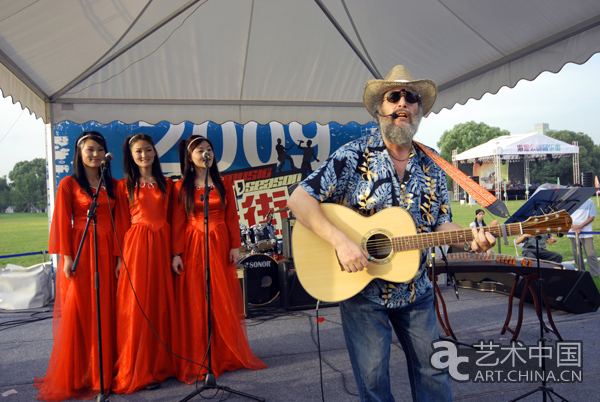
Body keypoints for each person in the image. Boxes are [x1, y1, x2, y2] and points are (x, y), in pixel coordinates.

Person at [287, 65, 496, 402]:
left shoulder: (432, 164)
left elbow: (441, 223)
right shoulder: (353, 156)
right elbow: (299, 199)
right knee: (373, 383)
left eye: (411, 97)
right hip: (363, 292)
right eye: (393, 96)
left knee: (434, 374)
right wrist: (341, 242)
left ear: (419, 110)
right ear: (379, 109)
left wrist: (471, 237)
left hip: (418, 291)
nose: (403, 103)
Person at [171, 135, 267, 384]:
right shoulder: (181, 186)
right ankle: (199, 356)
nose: (206, 152)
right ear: (190, 157)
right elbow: (178, 221)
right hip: (193, 243)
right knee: (196, 298)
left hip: (220, 242)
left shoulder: (223, 182)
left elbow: (232, 217)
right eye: (200, 149)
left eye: (209, 149)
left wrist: (235, 246)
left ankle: (223, 353)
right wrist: (176, 253)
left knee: (220, 297)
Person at [35, 131, 118, 400]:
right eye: (90, 150)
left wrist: (119, 257)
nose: (95, 155)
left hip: (108, 249)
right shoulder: (69, 184)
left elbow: (121, 223)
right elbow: (61, 222)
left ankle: (108, 370)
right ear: (79, 154)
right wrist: (67, 258)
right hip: (83, 249)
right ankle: (84, 373)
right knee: (83, 311)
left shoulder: (113, 183)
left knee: (107, 309)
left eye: (99, 149)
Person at [111, 133, 178, 393]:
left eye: (148, 150)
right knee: (138, 305)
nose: (144, 155)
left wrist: (176, 252)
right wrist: (119, 258)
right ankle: (139, 366)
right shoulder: (123, 184)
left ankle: (162, 364)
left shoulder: (167, 184)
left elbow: (174, 219)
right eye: (138, 151)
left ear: (154, 153)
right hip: (136, 245)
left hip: (162, 243)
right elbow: (120, 223)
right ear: (132, 155)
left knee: (160, 303)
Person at [567, 183, 600, 285]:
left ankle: (596, 275)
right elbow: (565, 217)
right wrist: (573, 226)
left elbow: (592, 217)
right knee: (577, 254)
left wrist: (580, 226)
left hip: (585, 233)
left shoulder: (589, 202)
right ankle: (581, 273)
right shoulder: (569, 203)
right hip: (573, 232)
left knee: (590, 254)